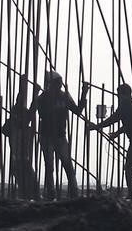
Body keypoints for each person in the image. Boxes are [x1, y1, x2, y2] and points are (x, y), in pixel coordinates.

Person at [28, 71, 89, 199]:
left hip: (60, 136)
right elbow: (30, 114)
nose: (59, 85)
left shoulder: (64, 96)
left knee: (67, 165)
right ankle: (51, 193)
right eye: (56, 83)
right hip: (47, 136)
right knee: (49, 166)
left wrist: (84, 93)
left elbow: (77, 111)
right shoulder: (42, 98)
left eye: (60, 83)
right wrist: (35, 95)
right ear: (50, 84)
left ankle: (74, 193)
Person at [86, 83, 132, 198]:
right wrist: (116, 133)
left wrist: (97, 126)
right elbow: (128, 123)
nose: (117, 97)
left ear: (123, 94)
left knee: (128, 167)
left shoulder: (126, 105)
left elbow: (114, 119)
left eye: (118, 95)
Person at [1, 94, 38, 199]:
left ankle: (26, 195)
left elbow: (29, 116)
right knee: (23, 176)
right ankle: (26, 195)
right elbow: (29, 117)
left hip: (21, 157)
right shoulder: (15, 117)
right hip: (19, 157)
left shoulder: (18, 118)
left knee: (25, 176)